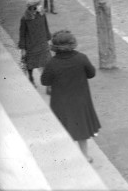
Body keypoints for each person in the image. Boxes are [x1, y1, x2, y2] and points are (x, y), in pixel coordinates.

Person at [41, 30, 101, 163]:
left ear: (54, 46)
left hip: (60, 102)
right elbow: (91, 74)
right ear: (72, 43)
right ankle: (85, 156)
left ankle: (67, 157)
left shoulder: (52, 62)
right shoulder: (81, 58)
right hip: (80, 100)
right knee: (81, 129)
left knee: (63, 128)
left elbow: (44, 81)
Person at [19, 0, 52, 90]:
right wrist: (23, 49)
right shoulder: (24, 18)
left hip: (42, 43)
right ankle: (31, 78)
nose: (41, 6)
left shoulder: (42, 14)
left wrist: (48, 40)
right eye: (39, 4)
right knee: (30, 65)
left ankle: (48, 85)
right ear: (33, 6)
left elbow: (46, 26)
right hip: (31, 46)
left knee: (47, 63)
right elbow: (22, 34)